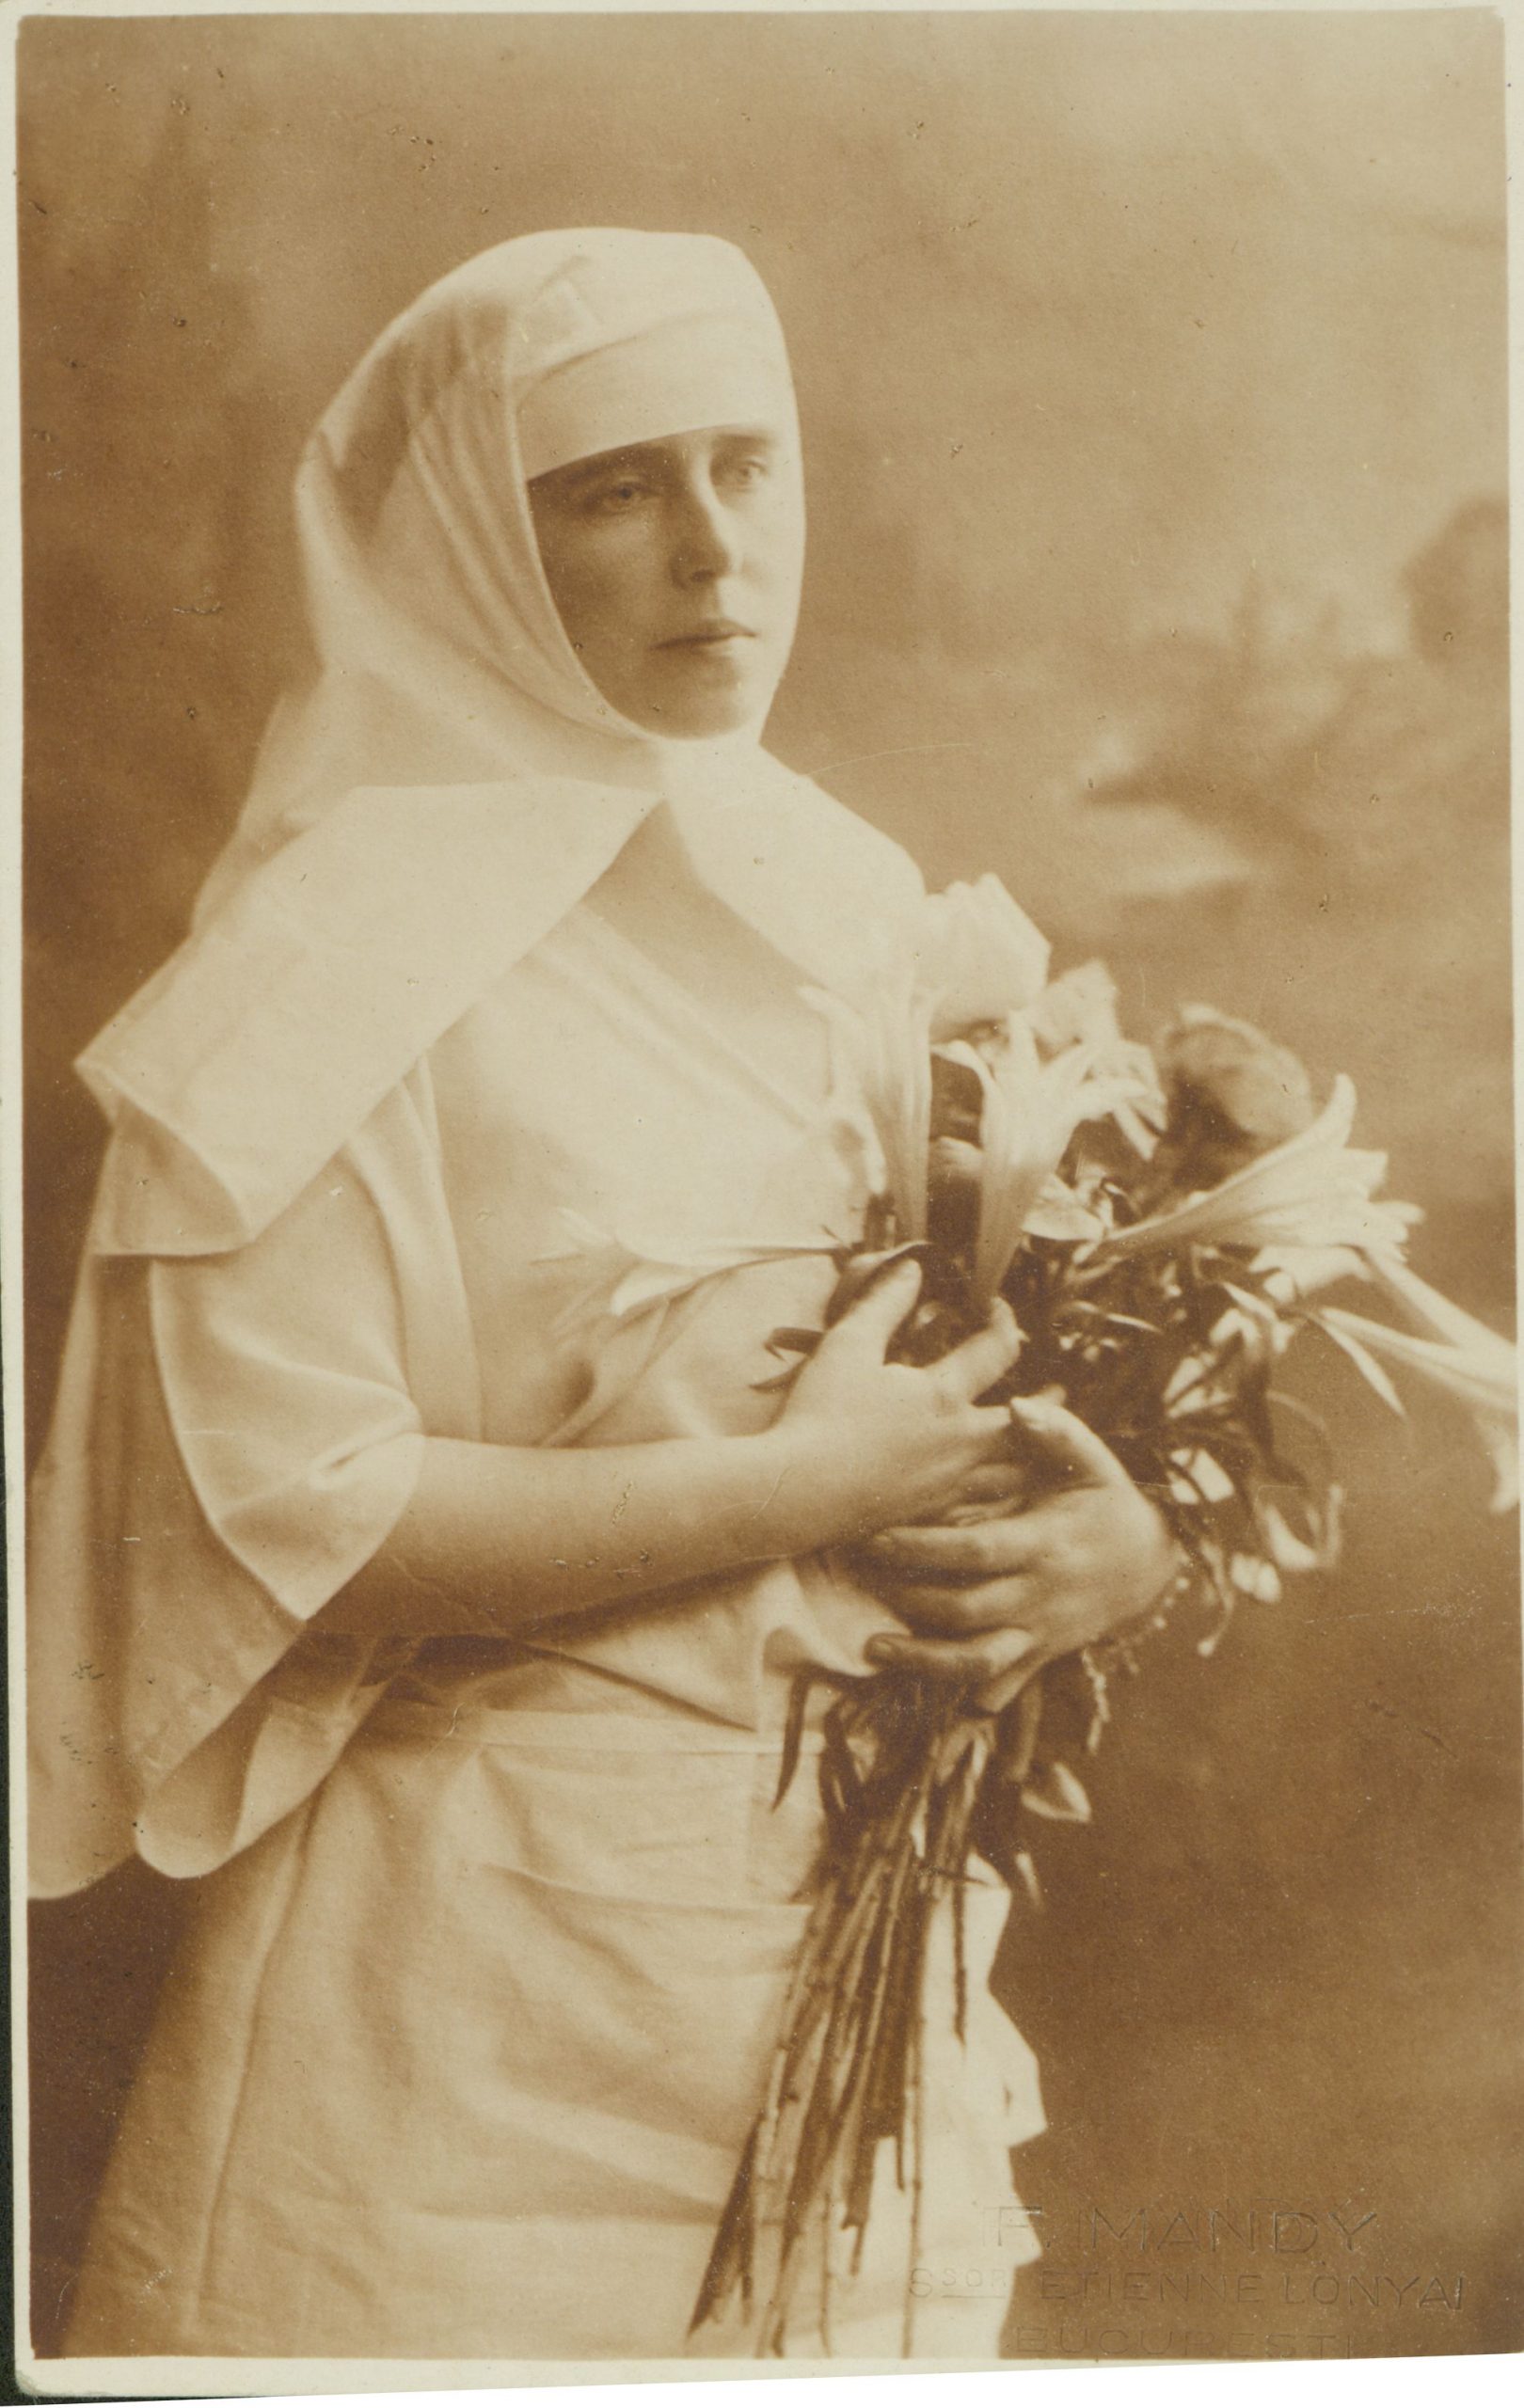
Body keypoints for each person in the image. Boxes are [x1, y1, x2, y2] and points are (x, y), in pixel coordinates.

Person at [29, 228, 1176, 2361]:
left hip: (839, 1963)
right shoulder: (334, 956)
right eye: (613, 487)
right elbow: (293, 1511)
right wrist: (800, 1489)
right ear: (481, 533)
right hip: (457, 2010)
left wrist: (1103, 1548)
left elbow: (943, 1383)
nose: (712, 549)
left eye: (748, 464)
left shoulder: (839, 891)